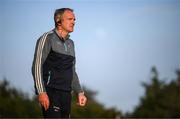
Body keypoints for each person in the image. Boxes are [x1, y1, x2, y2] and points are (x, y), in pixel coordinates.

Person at [32, 8, 87, 118]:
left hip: (66, 94)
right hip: (51, 92)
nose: (73, 22)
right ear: (58, 21)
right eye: (70, 19)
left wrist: (80, 92)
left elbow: (72, 71)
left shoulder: (71, 43)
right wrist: (41, 92)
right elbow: (37, 66)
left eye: (74, 19)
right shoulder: (47, 38)